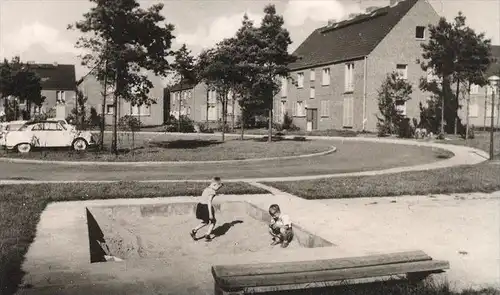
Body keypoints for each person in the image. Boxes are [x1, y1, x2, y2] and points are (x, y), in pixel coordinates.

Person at [190, 177, 223, 242]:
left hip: (200, 206)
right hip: (206, 207)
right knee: (213, 221)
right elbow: (209, 202)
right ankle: (207, 235)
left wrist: (221, 185)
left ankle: (194, 230)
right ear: (214, 185)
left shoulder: (206, 188)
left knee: (206, 222)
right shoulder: (212, 191)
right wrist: (210, 214)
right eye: (218, 188)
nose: (217, 190)